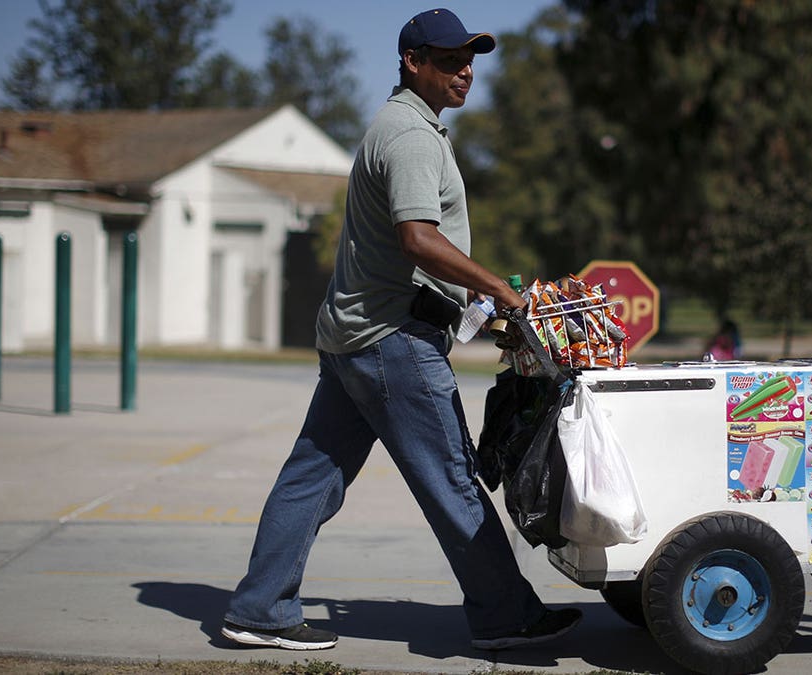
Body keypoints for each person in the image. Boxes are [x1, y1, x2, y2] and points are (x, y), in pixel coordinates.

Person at [221, 8, 581, 652]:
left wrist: (469, 290)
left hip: (355, 337)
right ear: (412, 61)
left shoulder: (401, 126)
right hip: (393, 341)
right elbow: (417, 238)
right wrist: (498, 287)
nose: (464, 71)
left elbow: (414, 246)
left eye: (469, 59)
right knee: (452, 479)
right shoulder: (413, 136)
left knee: (310, 478)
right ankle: (506, 615)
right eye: (448, 60)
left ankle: (258, 609)